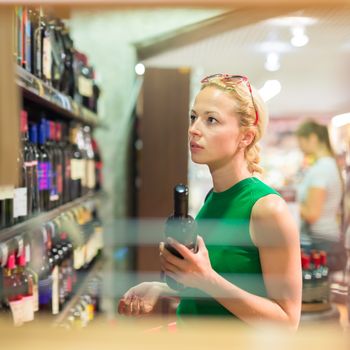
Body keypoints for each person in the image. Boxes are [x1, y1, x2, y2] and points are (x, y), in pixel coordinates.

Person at [118, 74, 302, 329]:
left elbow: (287, 323)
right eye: (194, 117)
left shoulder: (267, 209)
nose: (194, 129)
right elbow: (220, 291)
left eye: (211, 120)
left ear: (245, 137)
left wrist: (205, 278)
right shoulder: (213, 198)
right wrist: (160, 288)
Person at [296, 120, 345, 271]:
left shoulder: (321, 170)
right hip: (326, 239)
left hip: (320, 242)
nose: (300, 146)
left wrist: (288, 205)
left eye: (301, 141)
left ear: (313, 138)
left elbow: (312, 214)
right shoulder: (327, 165)